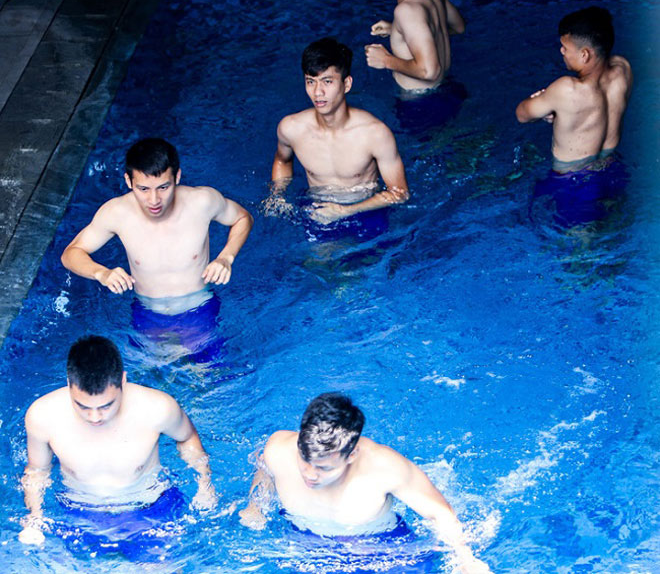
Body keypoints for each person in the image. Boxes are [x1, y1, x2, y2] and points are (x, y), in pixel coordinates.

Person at [239, 393, 491, 573]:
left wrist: (465, 558)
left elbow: (440, 512)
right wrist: (255, 506)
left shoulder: (386, 468)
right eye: (304, 460)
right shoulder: (278, 450)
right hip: (306, 543)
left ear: (352, 455)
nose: (310, 474)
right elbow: (264, 471)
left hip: (382, 549)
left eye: (324, 468)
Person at [18, 335, 217, 547]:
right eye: (83, 406)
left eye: (106, 406)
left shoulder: (158, 409)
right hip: (80, 511)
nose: (95, 417)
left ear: (123, 381)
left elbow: (187, 438)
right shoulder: (43, 416)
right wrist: (35, 517)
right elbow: (37, 470)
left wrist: (204, 485)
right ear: (69, 384)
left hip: (150, 506)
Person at [61, 138, 253, 303]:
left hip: (199, 306)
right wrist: (101, 273)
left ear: (177, 177)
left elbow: (243, 218)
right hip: (146, 311)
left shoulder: (202, 202)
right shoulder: (116, 213)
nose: (154, 200)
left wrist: (226, 257)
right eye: (143, 189)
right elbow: (71, 253)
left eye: (163, 187)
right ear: (128, 181)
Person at [267, 37, 409, 227]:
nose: (318, 92)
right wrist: (277, 196)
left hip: (367, 213)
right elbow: (282, 160)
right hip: (319, 213)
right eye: (310, 82)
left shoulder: (374, 134)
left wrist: (345, 211)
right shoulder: (291, 129)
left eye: (327, 81)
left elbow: (400, 193)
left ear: (347, 84)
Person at [515, 6, 633, 174]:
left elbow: (522, 115)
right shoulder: (623, 69)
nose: (562, 51)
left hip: (573, 179)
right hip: (612, 167)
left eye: (565, 48)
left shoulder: (567, 90)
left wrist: (544, 100)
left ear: (585, 55)